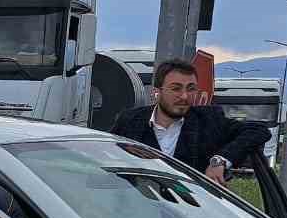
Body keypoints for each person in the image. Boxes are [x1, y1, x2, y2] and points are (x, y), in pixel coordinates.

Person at [111, 58, 270, 183]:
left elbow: (258, 131)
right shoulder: (130, 121)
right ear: (156, 92)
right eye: (176, 88)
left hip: (193, 216)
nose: (185, 96)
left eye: (191, 88)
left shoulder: (208, 120)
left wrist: (219, 161)